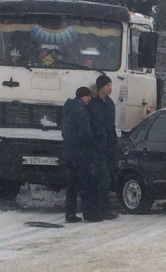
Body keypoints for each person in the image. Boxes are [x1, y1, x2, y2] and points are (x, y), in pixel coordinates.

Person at [62, 87, 101, 223]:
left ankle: (70, 214)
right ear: (82, 97)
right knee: (87, 183)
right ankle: (90, 214)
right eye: (88, 96)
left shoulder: (67, 110)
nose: (89, 99)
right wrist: (94, 144)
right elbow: (85, 133)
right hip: (81, 153)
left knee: (72, 184)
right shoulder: (81, 111)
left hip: (69, 151)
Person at [89, 75, 119, 220]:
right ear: (101, 87)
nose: (110, 88)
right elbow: (91, 126)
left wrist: (114, 143)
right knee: (100, 178)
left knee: (106, 179)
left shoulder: (109, 103)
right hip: (96, 146)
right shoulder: (93, 103)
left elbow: (111, 125)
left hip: (107, 145)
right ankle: (98, 209)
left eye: (111, 85)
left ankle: (103, 208)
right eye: (107, 85)